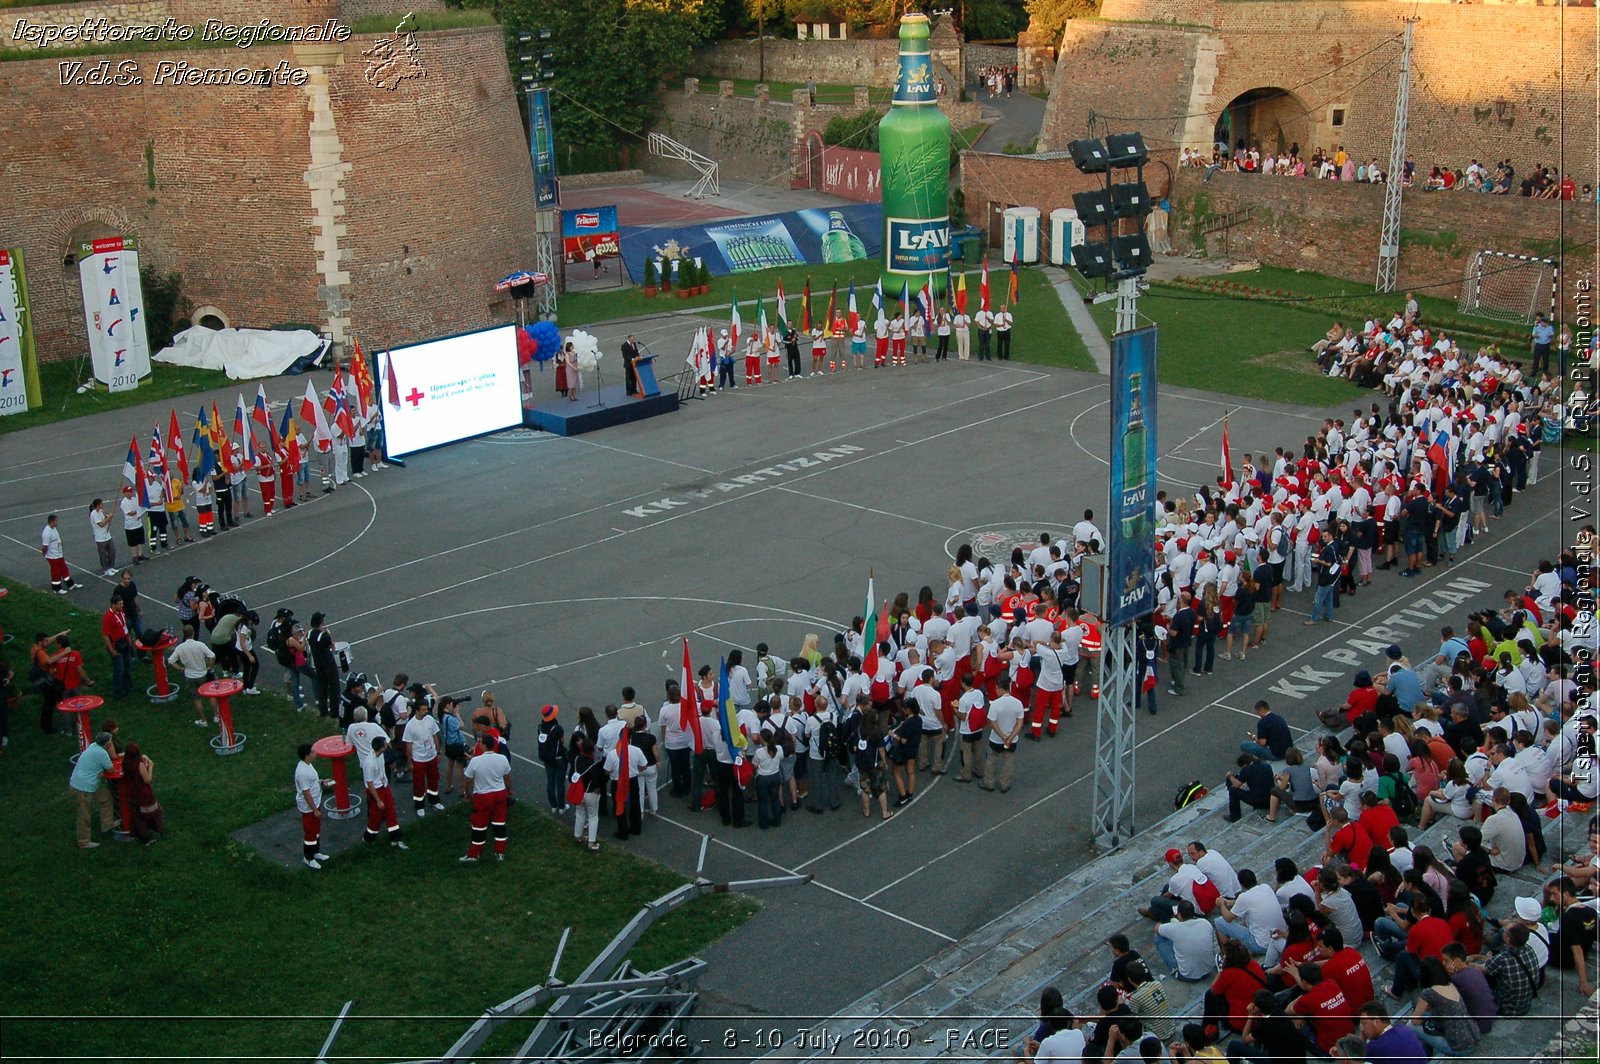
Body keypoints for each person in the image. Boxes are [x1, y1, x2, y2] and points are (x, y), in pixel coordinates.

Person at [461, 730, 512, 862]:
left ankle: (474, 854)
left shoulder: (475, 761)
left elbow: (467, 780)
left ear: (483, 746)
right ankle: (500, 852)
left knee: (479, 825)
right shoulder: (502, 759)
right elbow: (507, 777)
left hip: (483, 796)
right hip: (500, 794)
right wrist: (509, 790)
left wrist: (467, 793)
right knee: (499, 823)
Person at [69, 731, 119, 850]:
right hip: (82, 787)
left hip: (87, 784)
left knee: (106, 797)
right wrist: (102, 772)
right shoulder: (102, 753)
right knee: (84, 815)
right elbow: (111, 770)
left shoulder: (93, 746)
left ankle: (107, 824)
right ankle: (84, 842)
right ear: (107, 744)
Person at [360, 735, 407, 850]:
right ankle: (368, 838)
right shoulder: (369, 763)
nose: (387, 745)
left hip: (384, 787)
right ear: (381, 747)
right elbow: (370, 784)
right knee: (376, 817)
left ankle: (395, 837)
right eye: (385, 744)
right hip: (376, 791)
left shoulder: (380, 755)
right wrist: (378, 800)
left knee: (391, 811)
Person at [403, 696, 445, 817]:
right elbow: (409, 745)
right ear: (417, 710)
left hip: (431, 756)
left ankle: (434, 801)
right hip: (419, 759)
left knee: (433, 779)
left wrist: (438, 752)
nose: (426, 711)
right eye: (423, 710)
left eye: (426, 709)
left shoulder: (430, 720)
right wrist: (410, 761)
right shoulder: (410, 725)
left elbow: (435, 736)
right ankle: (419, 805)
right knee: (419, 783)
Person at [167, 624, 216, 728]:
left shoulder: (180, 648)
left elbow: (170, 661)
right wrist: (209, 667)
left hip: (190, 676)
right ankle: (216, 716)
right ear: (193, 632)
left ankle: (203, 720)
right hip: (202, 673)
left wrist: (180, 668)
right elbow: (212, 656)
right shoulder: (199, 645)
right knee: (211, 695)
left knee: (196, 699)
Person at [1154, 899, 1216, 981]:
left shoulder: (1175, 929)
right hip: (1209, 970)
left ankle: (1176, 969)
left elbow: (1156, 928)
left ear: (1179, 915)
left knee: (1158, 937)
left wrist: (1164, 924)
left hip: (1187, 976)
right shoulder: (1205, 923)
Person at [294, 743, 332, 869]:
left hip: (315, 803)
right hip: (309, 807)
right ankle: (308, 858)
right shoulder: (302, 772)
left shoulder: (308, 766)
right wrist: (314, 810)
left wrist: (321, 782)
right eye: (313, 752)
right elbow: (306, 792)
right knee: (310, 832)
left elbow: (311, 783)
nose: (315, 754)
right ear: (307, 756)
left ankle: (315, 852)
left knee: (316, 830)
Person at [118, 741, 163, 846]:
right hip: (142, 795)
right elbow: (147, 780)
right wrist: (151, 766)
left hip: (129, 794)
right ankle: (159, 829)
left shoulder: (126, 763)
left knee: (137, 815)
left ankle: (143, 836)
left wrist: (143, 756)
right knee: (157, 811)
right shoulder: (139, 765)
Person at [1354, 1001, 1424, 1064]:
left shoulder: (1374, 1047)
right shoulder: (1403, 1029)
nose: (1362, 1029)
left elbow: (1356, 1060)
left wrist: (1362, 1039)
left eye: (1364, 1023)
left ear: (1376, 1022)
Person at [101, 595, 134, 700]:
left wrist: (129, 638)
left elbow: (124, 626)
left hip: (125, 642)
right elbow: (105, 635)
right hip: (116, 646)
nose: (122, 606)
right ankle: (118, 692)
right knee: (119, 670)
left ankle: (128, 687)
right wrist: (111, 650)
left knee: (128, 666)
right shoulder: (108, 617)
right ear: (113, 605)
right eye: (119, 604)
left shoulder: (121, 611)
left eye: (122, 604)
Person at [308, 612, 340, 720]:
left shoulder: (310, 634)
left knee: (322, 688)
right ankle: (334, 711)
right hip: (329, 664)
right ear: (321, 623)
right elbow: (332, 646)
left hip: (318, 664)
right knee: (334, 688)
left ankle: (323, 710)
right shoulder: (323, 636)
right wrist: (326, 632)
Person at [536, 703, 566, 812]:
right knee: (560, 783)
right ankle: (562, 806)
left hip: (547, 759)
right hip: (558, 758)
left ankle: (553, 805)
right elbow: (562, 741)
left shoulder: (540, 728)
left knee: (551, 781)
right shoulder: (557, 728)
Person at [40, 514, 79, 595]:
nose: (57, 522)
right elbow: (44, 546)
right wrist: (44, 553)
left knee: (64, 569)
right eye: (56, 521)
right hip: (52, 556)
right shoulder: (47, 533)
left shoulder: (53, 528)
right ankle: (56, 588)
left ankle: (70, 584)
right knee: (56, 572)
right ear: (52, 521)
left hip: (58, 554)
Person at [90, 497, 115, 574]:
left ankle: (111, 566)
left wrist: (109, 516)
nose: (103, 505)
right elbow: (101, 524)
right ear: (97, 506)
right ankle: (106, 569)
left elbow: (107, 519)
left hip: (107, 535)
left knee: (112, 551)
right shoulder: (94, 514)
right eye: (101, 504)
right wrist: (108, 518)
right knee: (103, 554)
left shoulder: (101, 511)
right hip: (100, 537)